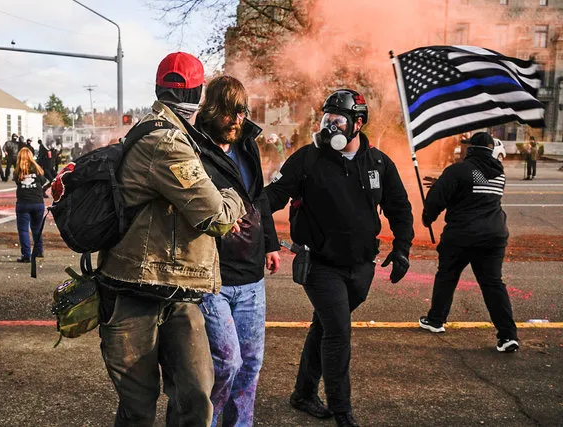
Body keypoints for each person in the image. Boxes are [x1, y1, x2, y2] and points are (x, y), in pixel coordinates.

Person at [95, 52, 246, 427]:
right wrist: (235, 195)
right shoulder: (167, 141)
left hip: (175, 293)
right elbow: (215, 215)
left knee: (195, 397)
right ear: (198, 94)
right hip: (136, 292)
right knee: (140, 412)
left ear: (159, 87)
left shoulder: (169, 132)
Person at [264, 89, 414, 427]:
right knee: (337, 332)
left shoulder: (377, 162)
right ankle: (342, 411)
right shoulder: (307, 159)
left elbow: (400, 208)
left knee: (324, 327)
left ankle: (303, 393)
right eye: (326, 120)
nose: (329, 127)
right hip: (319, 264)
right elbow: (270, 198)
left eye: (338, 120)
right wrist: (261, 230)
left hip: (361, 267)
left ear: (357, 124)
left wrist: (402, 247)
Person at [193, 75, 281, 427]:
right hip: (211, 273)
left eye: (241, 111)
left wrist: (271, 244)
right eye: (229, 112)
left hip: (251, 275)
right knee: (225, 363)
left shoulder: (247, 144)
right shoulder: (194, 148)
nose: (236, 120)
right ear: (212, 110)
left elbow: (258, 197)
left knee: (250, 364)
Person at [419, 132, 519, 353]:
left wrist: (428, 217)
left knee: (447, 275)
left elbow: (439, 198)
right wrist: (444, 183)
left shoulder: (458, 170)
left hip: (462, 235)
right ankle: (508, 336)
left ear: (470, 148)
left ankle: (436, 320)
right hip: (494, 235)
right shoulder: (498, 173)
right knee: (493, 284)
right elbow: (474, 190)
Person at [13, 147, 48, 263]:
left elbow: (17, 182)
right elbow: (45, 182)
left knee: (23, 230)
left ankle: (26, 255)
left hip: (23, 203)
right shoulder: (37, 169)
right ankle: (38, 251)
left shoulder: (18, 171)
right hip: (37, 202)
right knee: (37, 228)